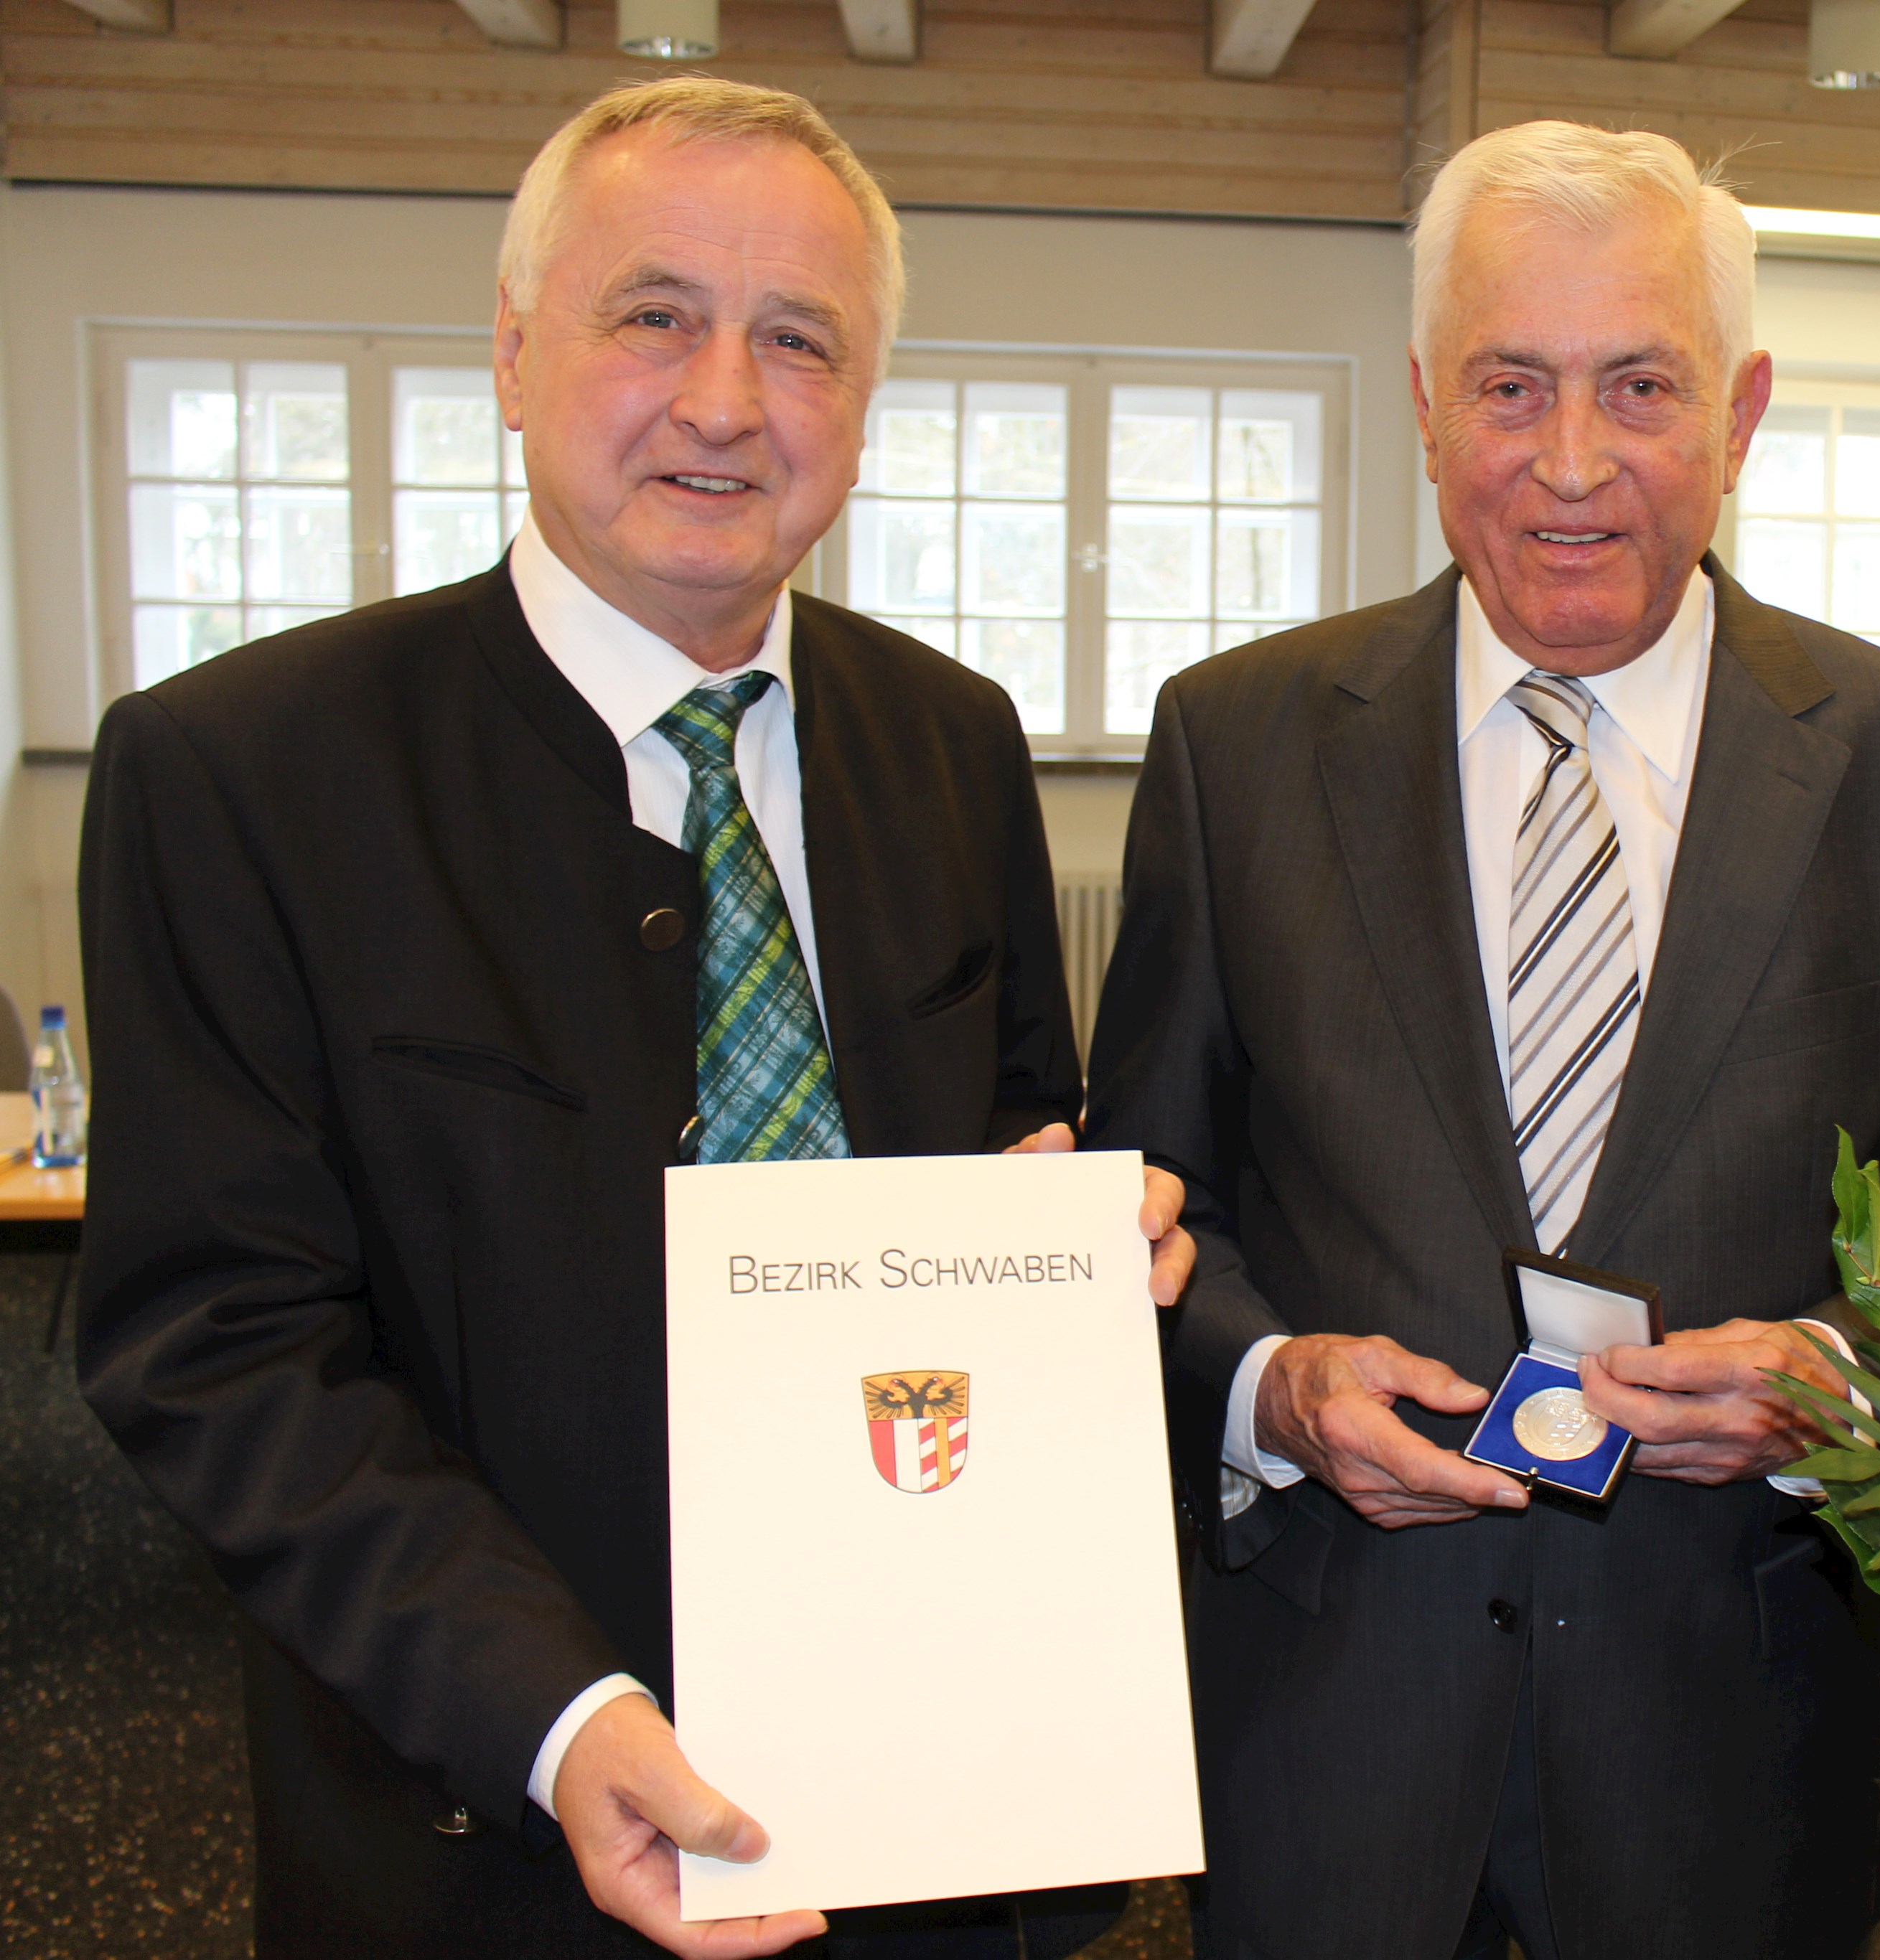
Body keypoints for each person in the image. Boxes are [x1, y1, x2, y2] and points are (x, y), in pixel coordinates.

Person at [78, 78, 1189, 1960]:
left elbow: (1017, 1132)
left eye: (798, 340)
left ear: (865, 400)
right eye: (654, 315)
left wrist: (1078, 1238)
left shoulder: (951, 740)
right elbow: (220, 1341)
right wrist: (558, 1710)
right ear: (514, 353)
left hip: (938, 1824)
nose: (725, 401)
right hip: (486, 1831)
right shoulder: (245, 774)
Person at [1083, 121, 1880, 1960]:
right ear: (1430, 403)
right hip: (1330, 1723)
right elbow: (1145, 1201)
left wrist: (1832, 1380)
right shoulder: (1237, 742)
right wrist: (1269, 1383)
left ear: (1741, 411)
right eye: (1513, 386)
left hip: (1734, 1743)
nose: (1573, 463)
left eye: (1641, 386)